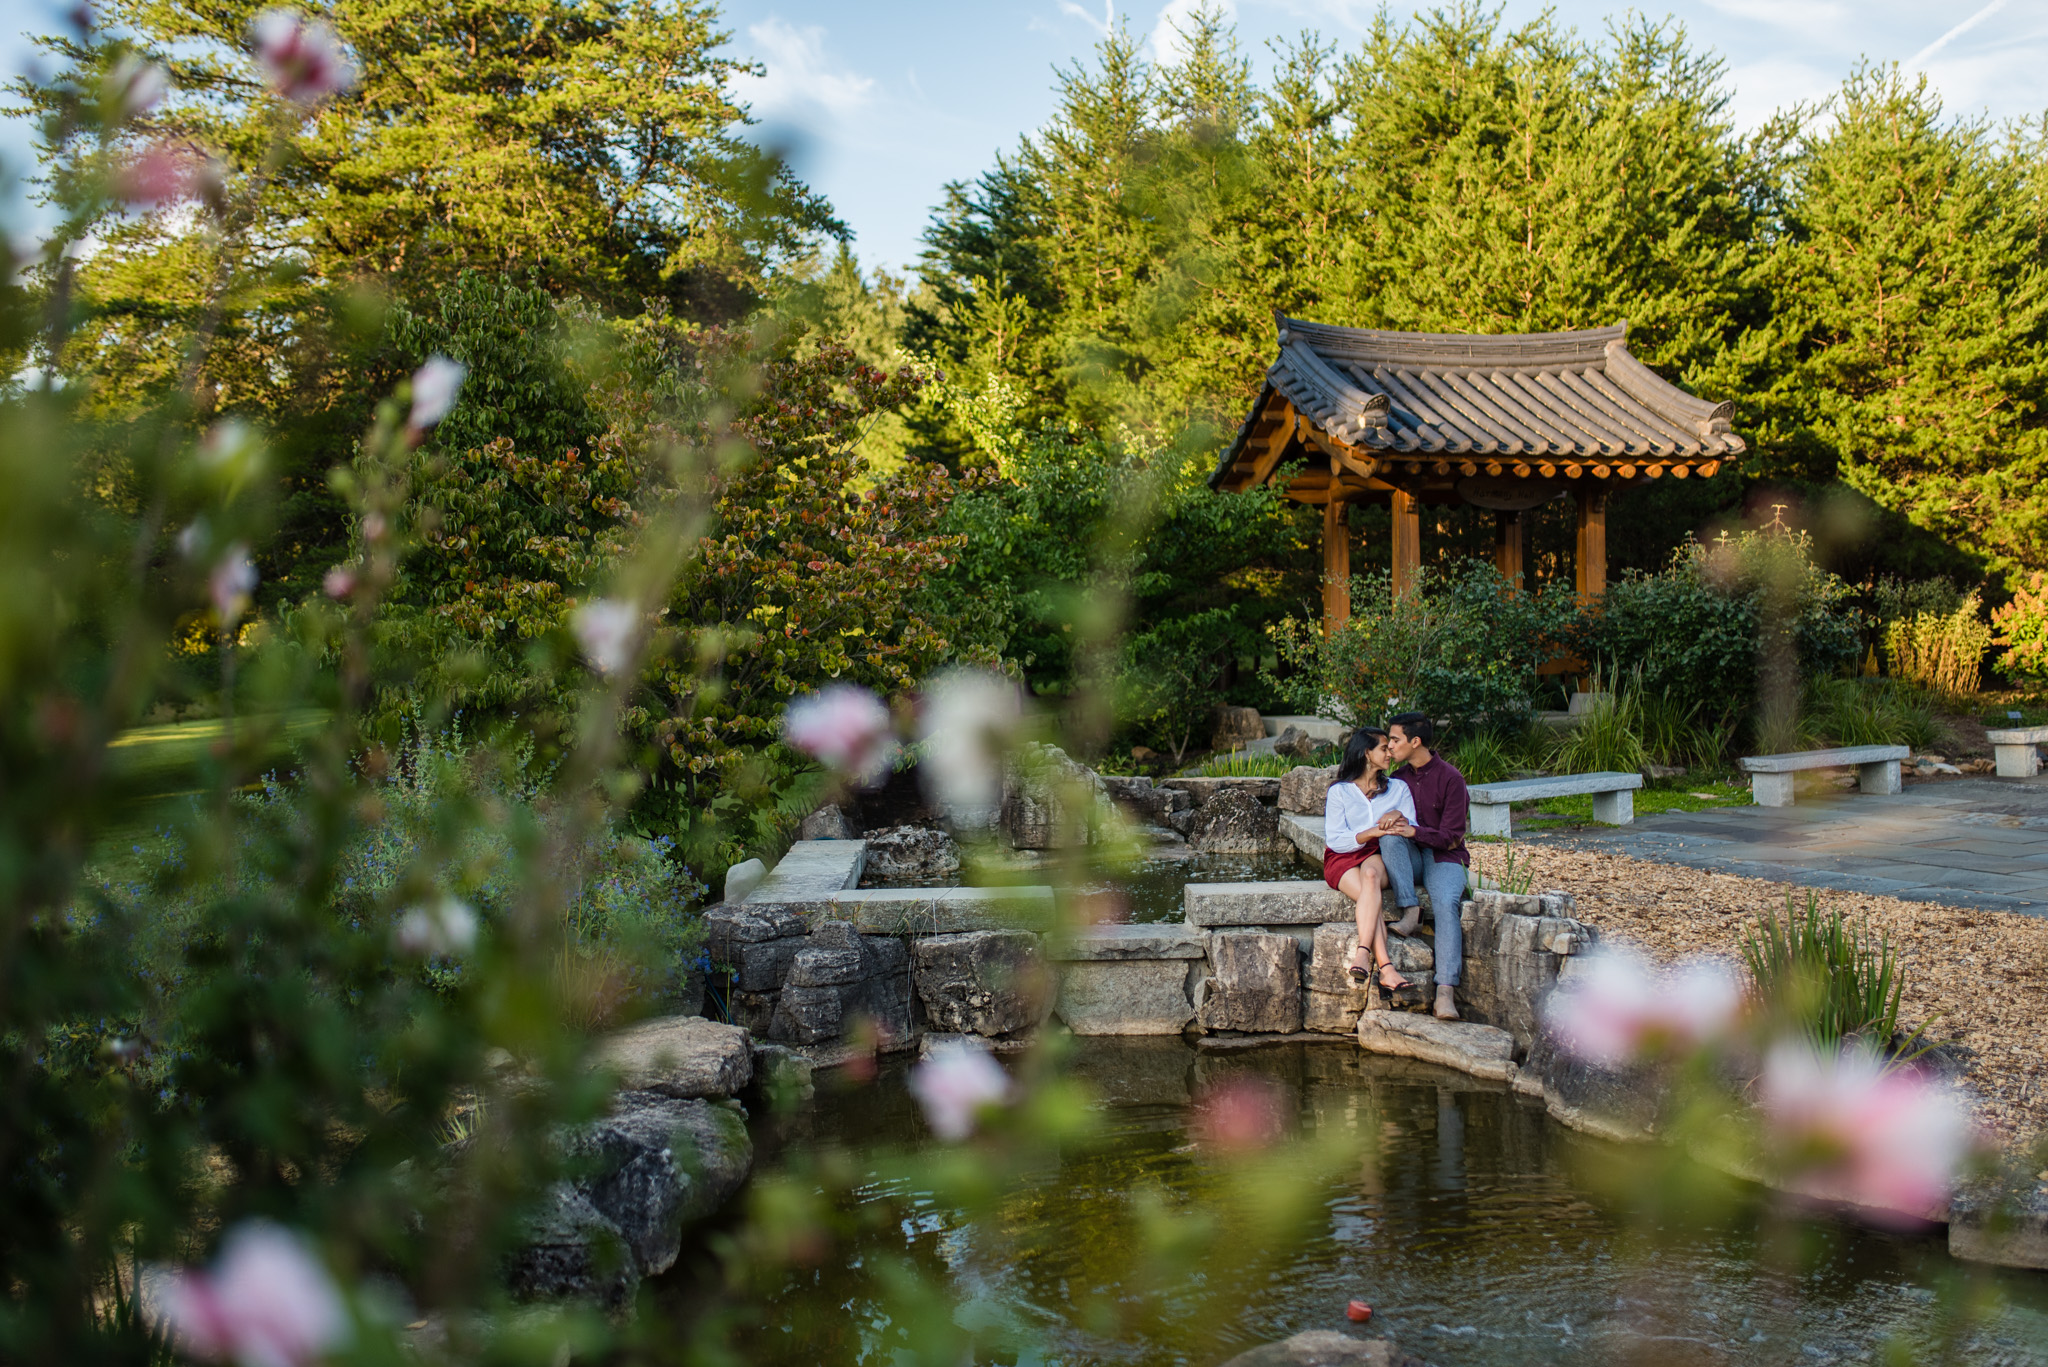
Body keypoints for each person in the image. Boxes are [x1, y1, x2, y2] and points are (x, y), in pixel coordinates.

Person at [1374, 711, 1468, 1020]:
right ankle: (1410, 909)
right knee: (1390, 838)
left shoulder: (1451, 778)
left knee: (1446, 904)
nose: (1391, 748)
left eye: (1396, 741)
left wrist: (1417, 831)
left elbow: (1453, 837)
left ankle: (1445, 992)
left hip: (1443, 857)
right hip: (1411, 858)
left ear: (1416, 742)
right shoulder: (1397, 780)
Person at [1320, 726, 1415, 995]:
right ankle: (1386, 966)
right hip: (1343, 856)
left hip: (1378, 853)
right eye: (1384, 748)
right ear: (1366, 754)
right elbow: (1336, 839)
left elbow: (1412, 825)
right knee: (1369, 898)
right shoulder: (1340, 791)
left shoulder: (1397, 788)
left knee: (1371, 876)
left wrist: (1398, 815)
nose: (1390, 752)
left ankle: (1363, 952)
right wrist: (1372, 830)